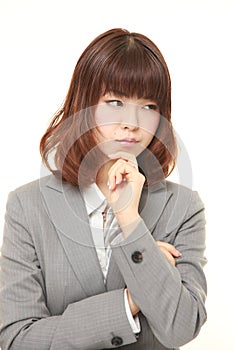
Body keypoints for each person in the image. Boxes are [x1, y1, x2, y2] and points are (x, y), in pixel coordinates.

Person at [0, 28, 207, 350]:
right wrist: (130, 300)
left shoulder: (182, 206)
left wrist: (129, 218)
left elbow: (181, 328)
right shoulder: (28, 206)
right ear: (84, 105)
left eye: (149, 106)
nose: (132, 122)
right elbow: (16, 339)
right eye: (115, 102)